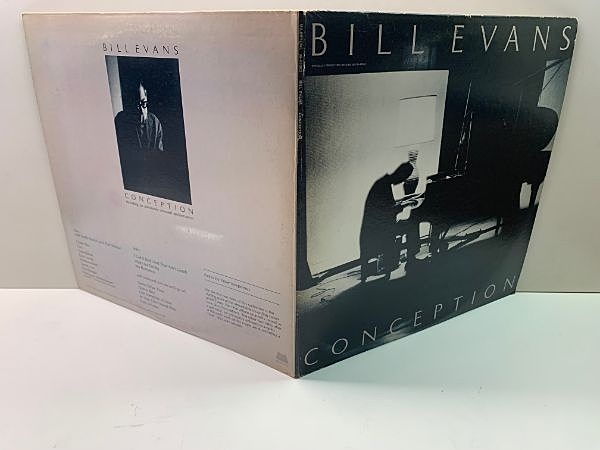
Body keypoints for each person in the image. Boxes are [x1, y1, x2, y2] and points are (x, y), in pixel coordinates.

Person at [359, 162, 415, 283]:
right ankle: (412, 260)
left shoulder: (383, 183)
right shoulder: (384, 186)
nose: (401, 182)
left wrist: (401, 203)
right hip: (380, 229)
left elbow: (386, 206)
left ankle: (406, 260)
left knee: (406, 225)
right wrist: (406, 205)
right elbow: (388, 211)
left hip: (374, 226)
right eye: (403, 178)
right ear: (400, 174)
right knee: (411, 226)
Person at [114, 81, 164, 153]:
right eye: (136, 106)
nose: (141, 112)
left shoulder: (155, 122)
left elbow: (160, 153)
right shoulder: (120, 121)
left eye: (143, 103)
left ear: (146, 95)